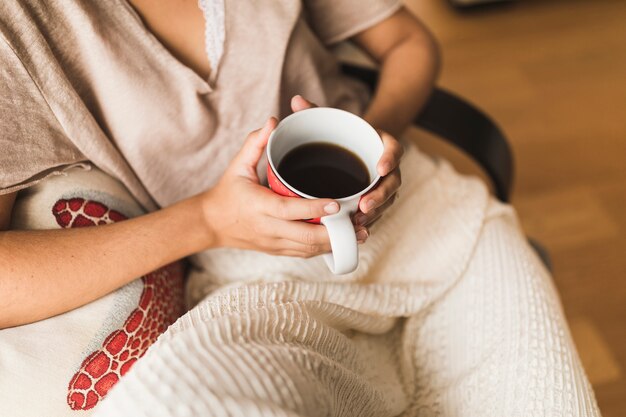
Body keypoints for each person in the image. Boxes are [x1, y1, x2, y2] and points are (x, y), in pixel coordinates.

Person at [0, 1, 600, 416]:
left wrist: (375, 139)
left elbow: (409, 43)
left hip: (431, 219)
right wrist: (210, 218)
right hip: (247, 273)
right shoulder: (19, 31)